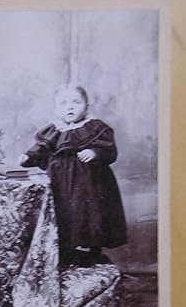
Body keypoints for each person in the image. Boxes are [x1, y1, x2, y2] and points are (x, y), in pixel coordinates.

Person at [19, 84, 127, 267]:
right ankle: (66, 250)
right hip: (60, 182)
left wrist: (94, 152)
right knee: (64, 214)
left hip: (90, 184)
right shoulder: (54, 130)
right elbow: (42, 148)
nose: (70, 107)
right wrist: (28, 156)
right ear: (56, 109)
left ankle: (93, 251)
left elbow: (109, 150)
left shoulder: (96, 128)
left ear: (86, 106)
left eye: (76, 102)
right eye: (63, 103)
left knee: (90, 213)